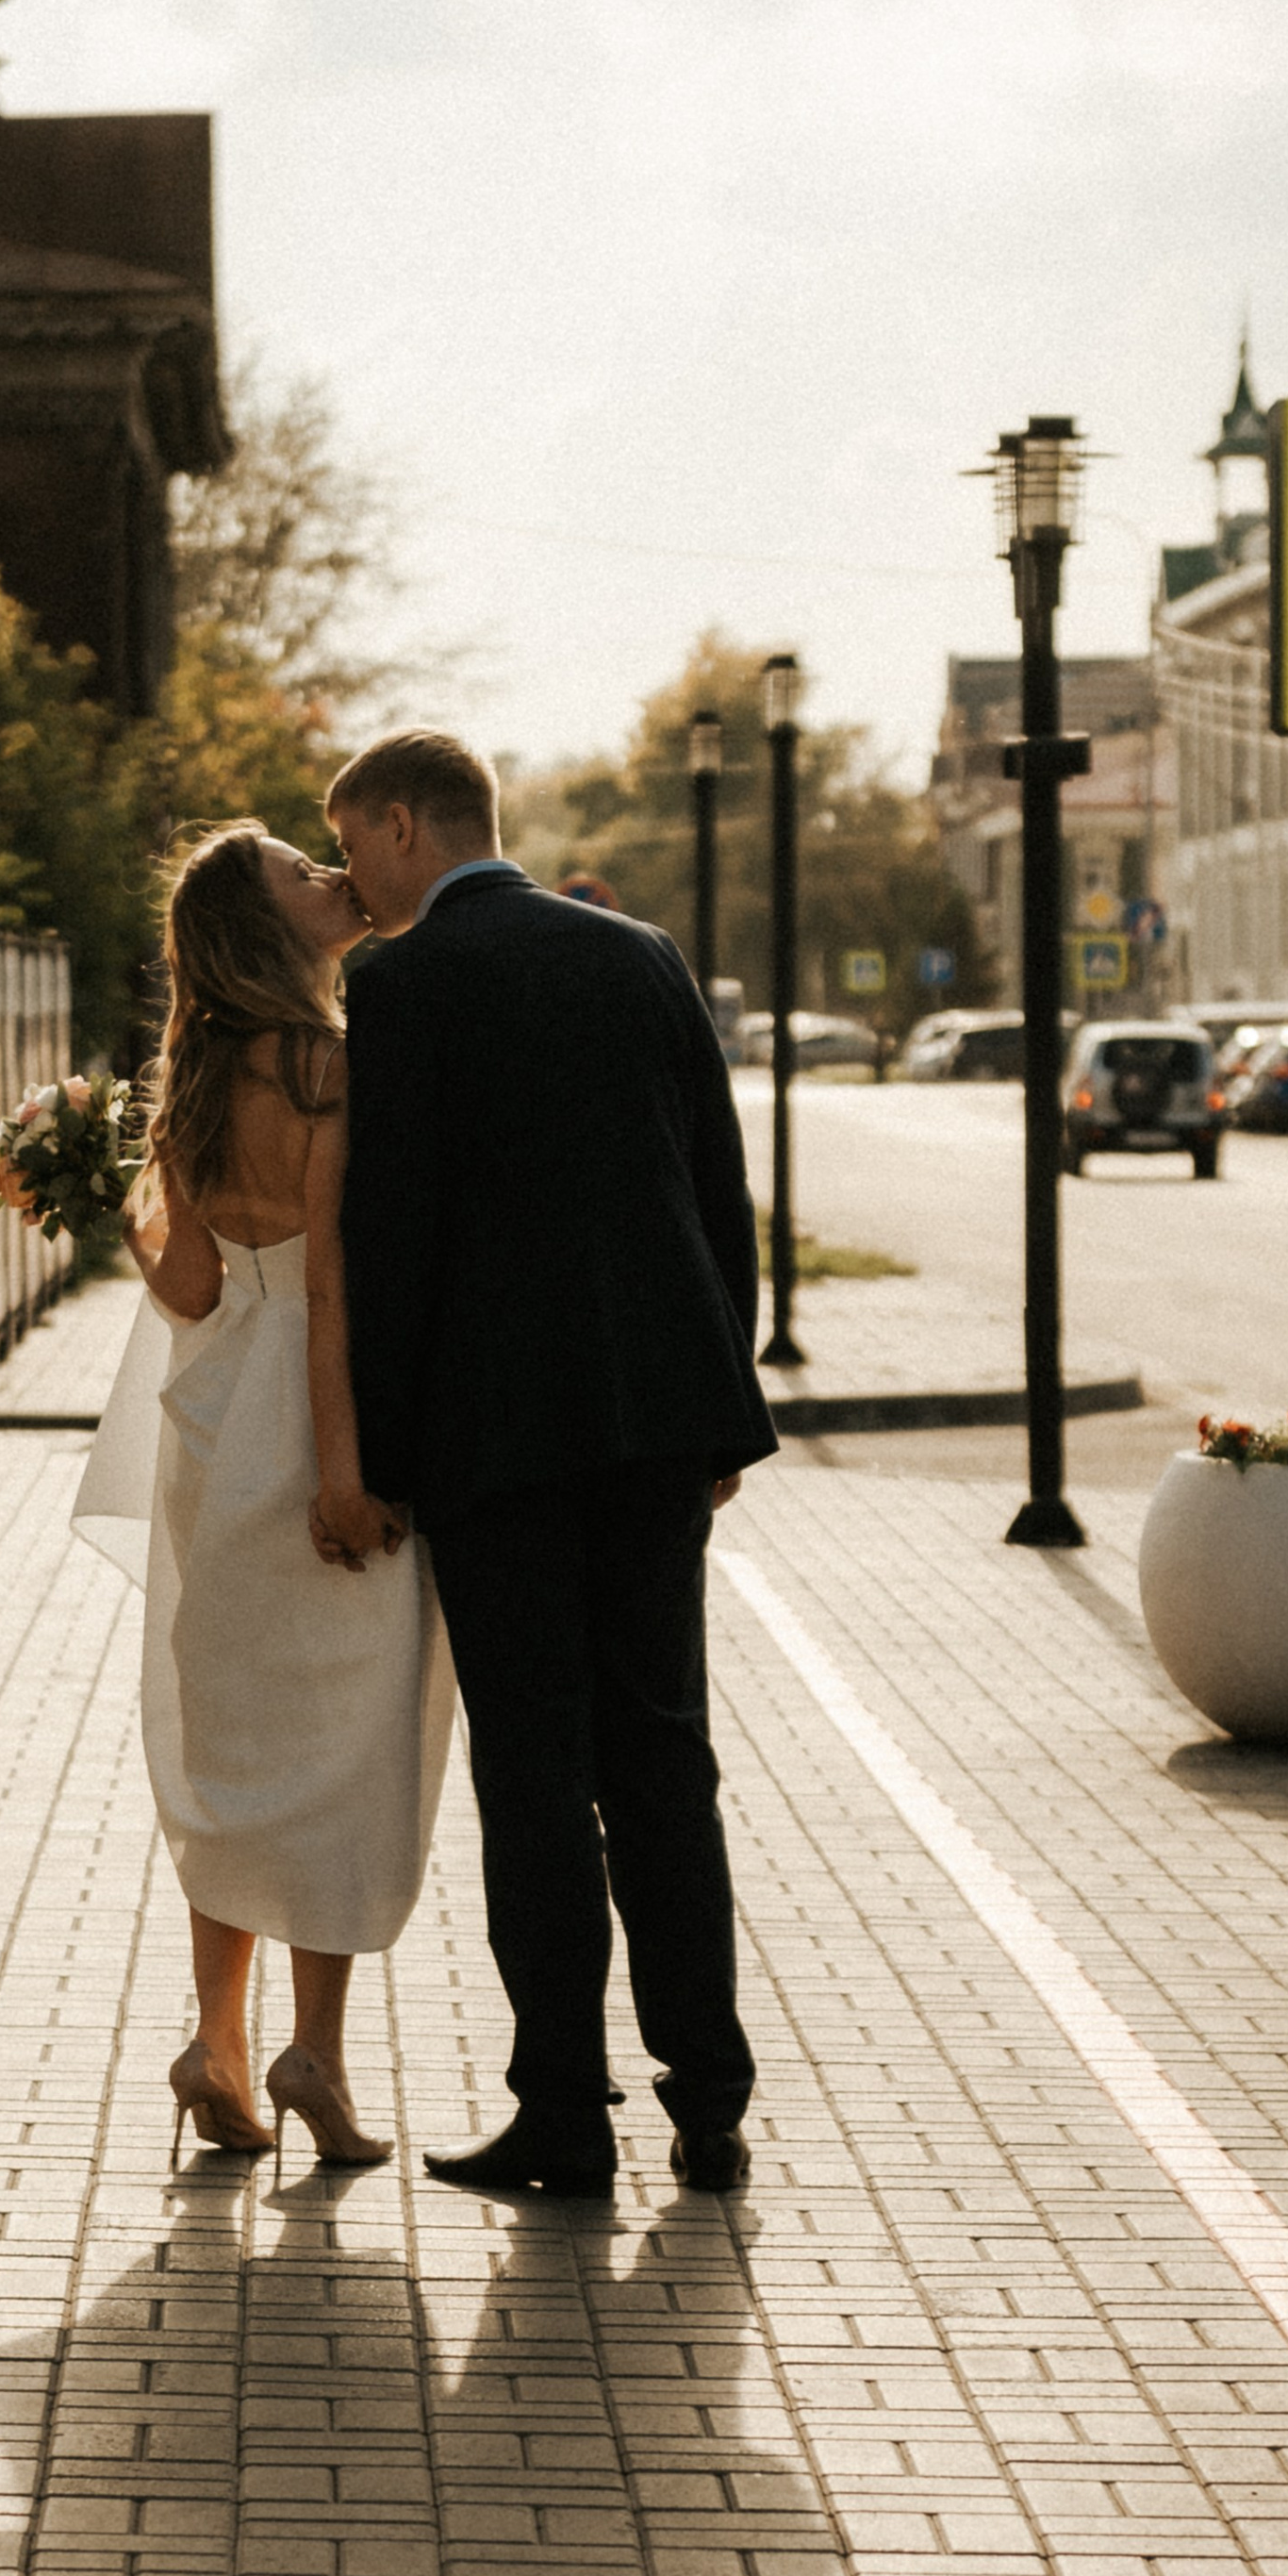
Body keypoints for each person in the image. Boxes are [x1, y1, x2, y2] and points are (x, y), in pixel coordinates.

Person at [328, 728, 776, 2198]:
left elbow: (390, 1233)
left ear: (404, 825)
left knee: (535, 1779)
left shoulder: (401, 983)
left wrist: (381, 1456)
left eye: (353, 847)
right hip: (657, 1425)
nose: (353, 882)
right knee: (665, 1756)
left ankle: (564, 2116)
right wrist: (724, 1403)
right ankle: (709, 2104)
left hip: (496, 1441)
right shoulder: (639, 953)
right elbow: (717, 1184)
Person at [71, 821, 453, 2173]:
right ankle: (314, 2057)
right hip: (315, 1411)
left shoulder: (196, 1073)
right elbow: (331, 1278)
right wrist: (345, 1474)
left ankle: (215, 2049)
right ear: (265, 924)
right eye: (302, 870)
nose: (329, 876)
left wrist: (114, 1198)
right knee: (348, 1736)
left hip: (213, 1428)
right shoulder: (318, 1061)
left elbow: (188, 1292)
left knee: (230, 1746)